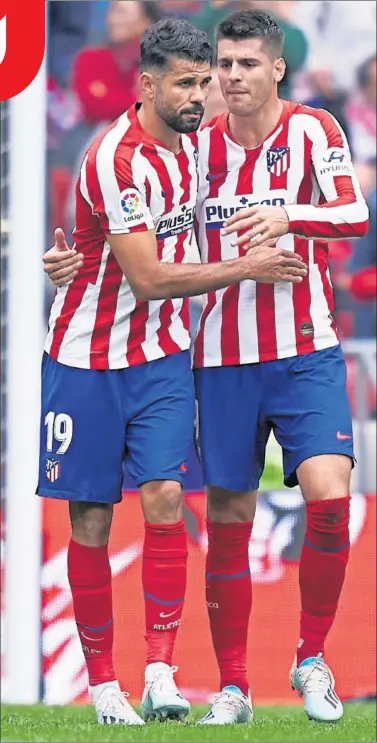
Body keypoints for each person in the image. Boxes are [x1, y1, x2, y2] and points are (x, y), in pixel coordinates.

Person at [38, 17, 307, 728]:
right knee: (91, 518)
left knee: (163, 495)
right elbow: (151, 278)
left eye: (203, 82)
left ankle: (159, 669)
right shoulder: (113, 160)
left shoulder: (191, 151)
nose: (200, 96)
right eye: (186, 84)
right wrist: (249, 265)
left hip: (160, 357)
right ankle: (102, 684)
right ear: (146, 84)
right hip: (86, 359)